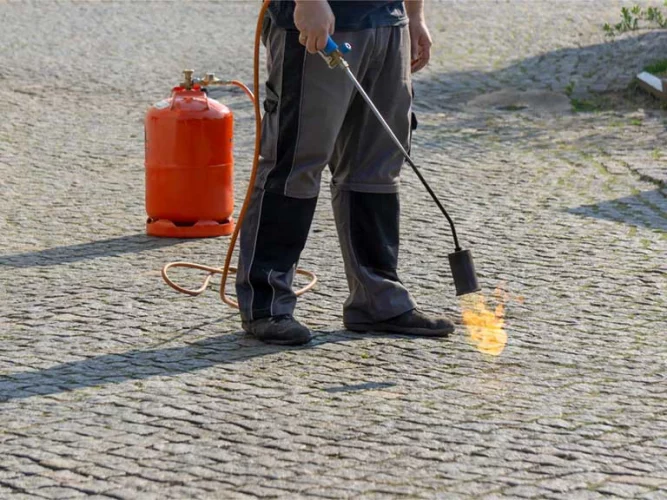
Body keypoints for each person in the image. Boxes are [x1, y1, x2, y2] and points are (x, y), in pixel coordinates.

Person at [236, 0, 455, 345]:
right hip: (322, 21)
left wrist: (414, 16)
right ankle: (267, 303)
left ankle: (377, 299)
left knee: (376, 167)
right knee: (296, 162)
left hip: (387, 23)